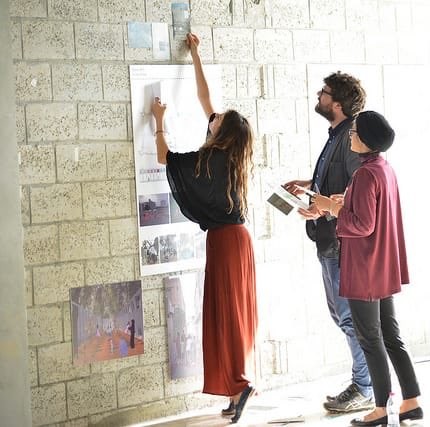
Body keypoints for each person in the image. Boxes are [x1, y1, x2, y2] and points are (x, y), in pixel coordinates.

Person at [151, 32, 258, 423]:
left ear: (222, 132)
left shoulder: (211, 161)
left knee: (226, 315)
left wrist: (159, 121)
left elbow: (165, 157)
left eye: (217, 122)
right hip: (235, 241)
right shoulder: (230, 156)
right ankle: (234, 389)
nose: (211, 120)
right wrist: (196, 53)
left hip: (226, 243)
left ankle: (242, 383)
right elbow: (206, 100)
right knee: (230, 314)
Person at [312, 111, 423, 426]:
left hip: (364, 266)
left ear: (367, 140)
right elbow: (369, 212)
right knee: (390, 335)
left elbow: (361, 225)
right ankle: (411, 401)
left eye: (355, 132)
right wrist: (342, 203)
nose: (350, 135)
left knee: (370, 338)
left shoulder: (363, 174)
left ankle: (381, 409)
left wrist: (332, 208)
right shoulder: (383, 169)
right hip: (383, 264)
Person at [283, 72, 373, 413]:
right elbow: (338, 179)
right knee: (343, 316)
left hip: (340, 242)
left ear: (336, 103)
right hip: (329, 241)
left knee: (349, 317)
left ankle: (364, 386)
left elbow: (358, 185)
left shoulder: (351, 137)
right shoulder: (336, 134)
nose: (318, 95)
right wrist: (309, 184)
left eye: (324, 92)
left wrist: (324, 209)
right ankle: (365, 383)